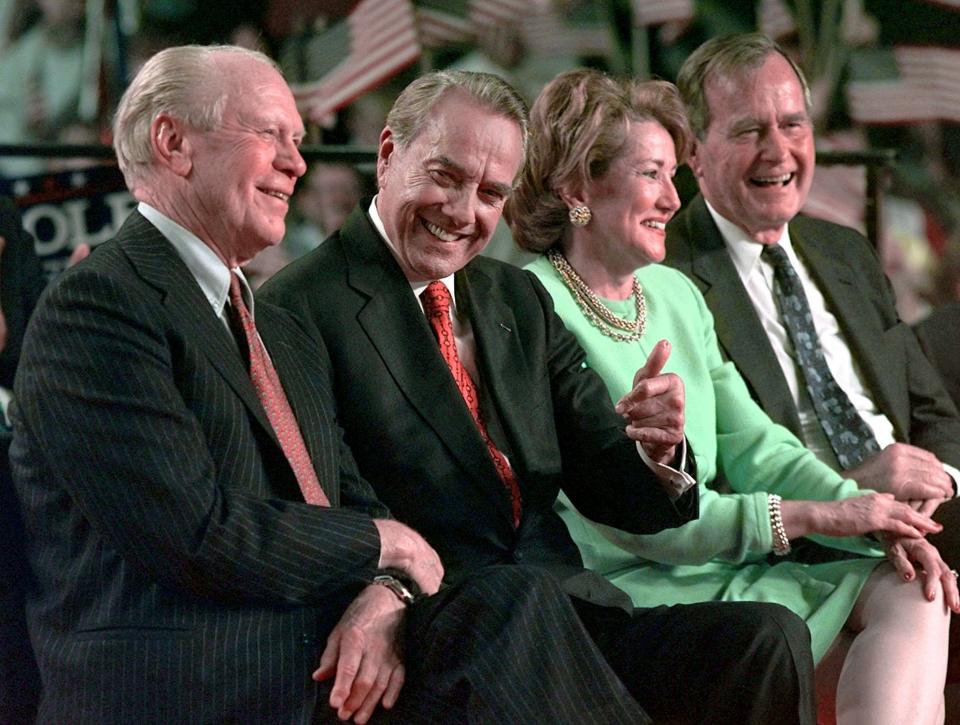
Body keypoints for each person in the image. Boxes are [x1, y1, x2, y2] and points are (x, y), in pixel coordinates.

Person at [9, 45, 690, 725]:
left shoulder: (250, 312)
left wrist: (388, 586)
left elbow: (344, 491)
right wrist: (387, 549)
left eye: (299, 141)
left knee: (714, 633)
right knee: (511, 612)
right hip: (196, 680)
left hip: (318, 656)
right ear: (174, 143)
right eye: (270, 134)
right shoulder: (100, 303)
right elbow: (196, 530)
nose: (297, 163)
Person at [260, 68, 818, 725]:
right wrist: (389, 587)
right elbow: (327, 500)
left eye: (491, 192)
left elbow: (612, 483)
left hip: (565, 610)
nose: (463, 212)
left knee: (766, 638)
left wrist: (659, 449)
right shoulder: (298, 307)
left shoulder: (514, 297)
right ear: (389, 155)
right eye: (446, 175)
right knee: (520, 600)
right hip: (432, 630)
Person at [508, 67, 956, 725]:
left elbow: (757, 443)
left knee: (918, 584)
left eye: (671, 173)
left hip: (730, 559)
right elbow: (637, 523)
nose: (671, 197)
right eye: (650, 174)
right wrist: (815, 518)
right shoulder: (532, 303)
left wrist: (869, 510)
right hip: (637, 581)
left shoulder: (675, 293)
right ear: (578, 186)